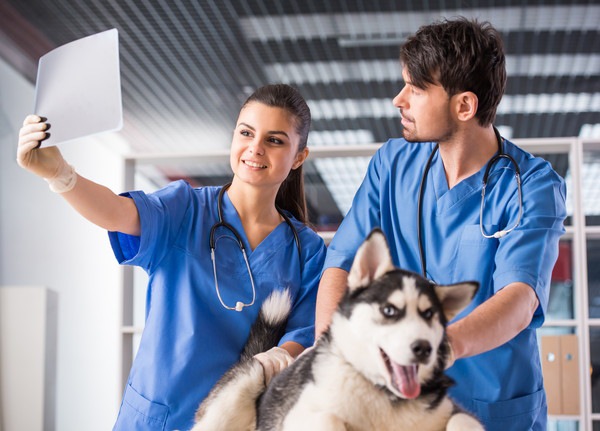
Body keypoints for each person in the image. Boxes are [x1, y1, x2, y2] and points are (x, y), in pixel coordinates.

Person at [17, 84, 327, 431]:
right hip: (156, 417)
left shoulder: (306, 249)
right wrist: (61, 175)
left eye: (275, 140)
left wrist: (280, 357)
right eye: (246, 132)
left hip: (237, 420)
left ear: (299, 156)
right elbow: (120, 213)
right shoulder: (186, 209)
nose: (255, 148)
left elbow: (305, 332)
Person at [315, 18, 566, 431]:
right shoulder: (392, 165)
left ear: (464, 106)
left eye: (415, 89)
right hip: (397, 407)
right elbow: (341, 263)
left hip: (493, 407)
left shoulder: (532, 186)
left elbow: (520, 299)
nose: (399, 100)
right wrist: (329, 354)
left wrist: (437, 346)